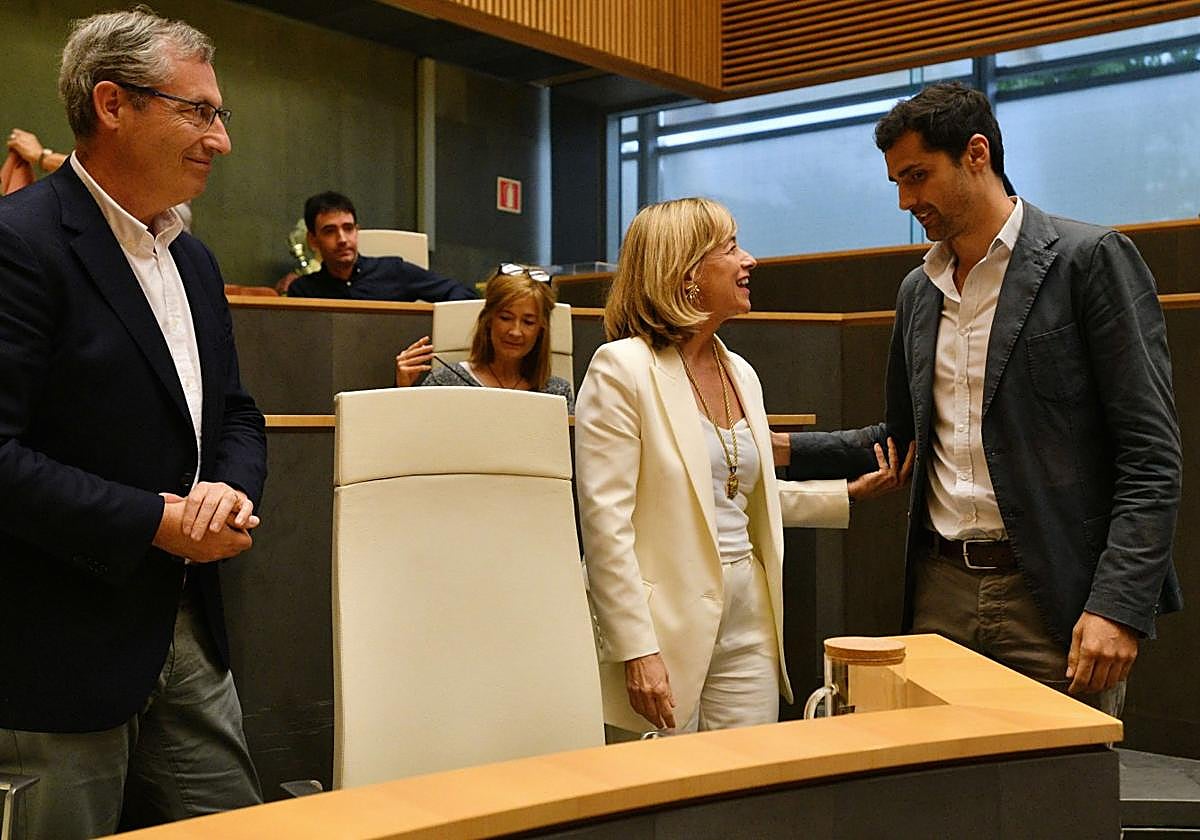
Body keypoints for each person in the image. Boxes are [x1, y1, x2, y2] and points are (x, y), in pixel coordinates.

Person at [787, 82, 1182, 714]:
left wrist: (1118, 605)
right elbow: (901, 438)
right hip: (939, 591)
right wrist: (768, 446)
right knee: (945, 802)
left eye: (917, 176)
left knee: (1058, 801)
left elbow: (1150, 457)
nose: (904, 200)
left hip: (1057, 598)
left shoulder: (1090, 260)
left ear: (977, 153)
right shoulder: (919, 290)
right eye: (896, 181)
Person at [0, 9, 267, 838]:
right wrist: (155, 520)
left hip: (189, 629)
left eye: (218, 114)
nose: (219, 139)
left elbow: (234, 411)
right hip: (58, 645)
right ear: (112, 104)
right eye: (198, 111)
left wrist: (226, 487)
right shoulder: (20, 243)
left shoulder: (191, 255)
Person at [574, 198, 912, 735]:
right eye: (730, 248)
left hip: (751, 613)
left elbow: (740, 496)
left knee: (745, 785)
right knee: (670, 794)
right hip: (665, 624)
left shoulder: (742, 372)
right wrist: (636, 649)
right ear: (685, 272)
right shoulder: (622, 369)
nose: (749, 260)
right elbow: (605, 527)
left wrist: (846, 494)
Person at [394, 263, 575, 411]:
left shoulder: (558, 393)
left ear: (541, 329)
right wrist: (404, 392)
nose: (515, 331)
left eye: (528, 322)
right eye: (505, 318)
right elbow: (412, 443)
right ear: (488, 319)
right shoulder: (444, 382)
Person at [285, 190, 476, 301]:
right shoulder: (303, 291)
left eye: (348, 228)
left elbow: (462, 293)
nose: (342, 239)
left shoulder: (394, 271)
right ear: (313, 240)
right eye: (329, 231)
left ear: (357, 231)